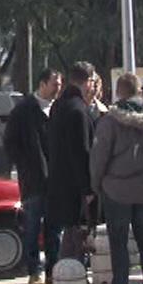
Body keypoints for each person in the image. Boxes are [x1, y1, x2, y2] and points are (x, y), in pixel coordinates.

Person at [90, 73, 143, 284]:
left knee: (119, 243)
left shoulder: (110, 121)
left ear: (118, 91)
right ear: (140, 90)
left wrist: (96, 183)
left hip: (116, 189)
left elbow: (99, 156)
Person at [4, 68, 63, 284]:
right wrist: (26, 165)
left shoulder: (59, 109)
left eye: (60, 85)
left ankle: (52, 270)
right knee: (32, 227)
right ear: (42, 84)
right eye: (54, 84)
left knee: (55, 230)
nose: (58, 89)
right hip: (33, 181)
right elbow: (10, 143)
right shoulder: (24, 110)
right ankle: (34, 270)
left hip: (56, 181)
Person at [47, 62, 97, 264]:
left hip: (59, 180)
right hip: (75, 186)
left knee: (69, 233)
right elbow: (81, 152)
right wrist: (88, 188)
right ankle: (74, 278)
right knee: (76, 236)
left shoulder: (58, 106)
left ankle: (69, 275)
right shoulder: (78, 110)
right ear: (88, 81)